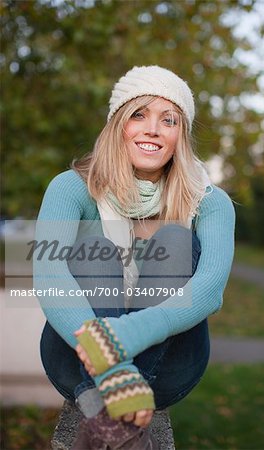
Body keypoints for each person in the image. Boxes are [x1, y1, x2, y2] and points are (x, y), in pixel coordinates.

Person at [34, 65, 235, 449]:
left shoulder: (209, 201)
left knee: (175, 241)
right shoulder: (71, 187)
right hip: (73, 357)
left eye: (169, 119)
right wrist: (114, 366)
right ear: (117, 125)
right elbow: (47, 274)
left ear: (181, 135)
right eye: (138, 114)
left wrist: (120, 338)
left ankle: (108, 411)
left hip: (171, 367)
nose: (153, 129)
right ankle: (119, 410)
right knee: (97, 250)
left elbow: (210, 291)